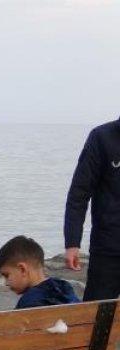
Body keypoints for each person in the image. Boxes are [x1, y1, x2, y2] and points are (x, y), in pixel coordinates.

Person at [64, 117, 120, 300]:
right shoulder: (102, 138)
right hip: (108, 249)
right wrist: (72, 242)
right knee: (97, 316)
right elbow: (79, 193)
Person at [0, 235, 80, 308]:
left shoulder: (29, 303)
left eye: (6, 275)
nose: (6, 283)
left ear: (22, 269)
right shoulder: (65, 288)